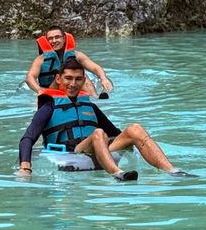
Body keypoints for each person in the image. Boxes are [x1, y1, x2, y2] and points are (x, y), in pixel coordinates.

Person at [17, 57, 190, 181]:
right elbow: (28, 138)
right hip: (73, 150)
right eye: (68, 78)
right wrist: (25, 166)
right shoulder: (49, 106)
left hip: (98, 146)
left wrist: (132, 144)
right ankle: (117, 173)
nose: (73, 84)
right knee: (99, 133)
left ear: (84, 80)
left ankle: (172, 170)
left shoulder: (90, 106)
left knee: (134, 129)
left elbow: (115, 133)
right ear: (58, 79)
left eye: (78, 79)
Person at [25, 25, 113, 98]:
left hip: (73, 87)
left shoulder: (77, 55)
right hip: (51, 90)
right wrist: (40, 90)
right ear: (47, 41)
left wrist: (103, 79)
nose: (54, 41)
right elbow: (30, 77)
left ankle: (95, 98)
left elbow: (95, 68)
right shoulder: (40, 59)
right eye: (50, 38)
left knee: (81, 75)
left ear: (64, 38)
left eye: (57, 37)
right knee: (59, 77)